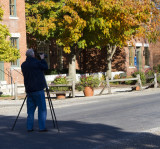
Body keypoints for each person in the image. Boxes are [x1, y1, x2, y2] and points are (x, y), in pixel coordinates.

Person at [21, 49, 48, 132]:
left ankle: (29, 127)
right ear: (33, 55)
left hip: (29, 90)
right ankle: (42, 127)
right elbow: (45, 67)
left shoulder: (23, 65)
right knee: (42, 109)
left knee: (30, 110)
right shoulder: (37, 63)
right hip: (38, 89)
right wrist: (42, 59)